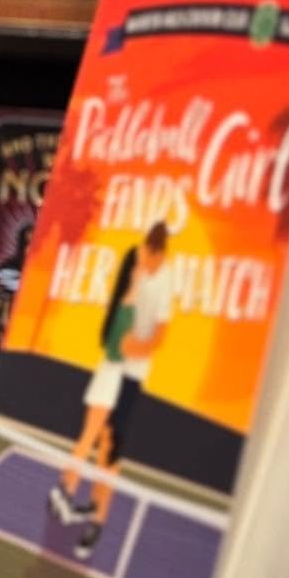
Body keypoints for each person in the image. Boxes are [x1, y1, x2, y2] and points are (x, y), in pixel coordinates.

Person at [49, 221, 173, 559]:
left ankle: (96, 519)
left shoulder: (164, 281)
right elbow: (117, 335)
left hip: (131, 377)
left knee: (110, 449)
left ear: (159, 253)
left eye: (150, 255)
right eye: (143, 254)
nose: (145, 259)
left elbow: (158, 336)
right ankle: (68, 493)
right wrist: (125, 342)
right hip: (113, 369)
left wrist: (139, 347)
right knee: (94, 435)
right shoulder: (133, 274)